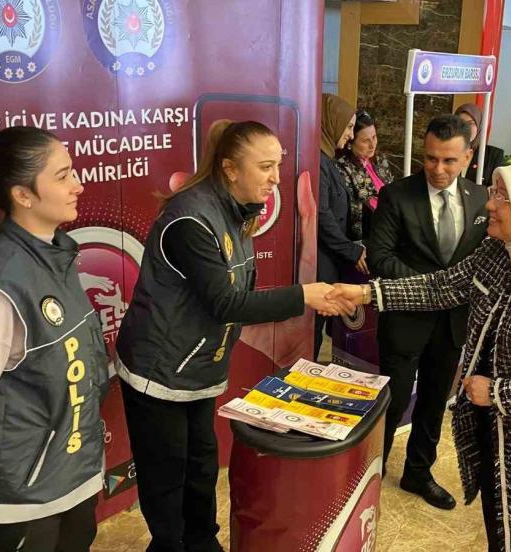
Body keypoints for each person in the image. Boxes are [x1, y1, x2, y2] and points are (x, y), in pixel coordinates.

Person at [333, 157, 511, 551]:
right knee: (503, 532)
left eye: (504, 197)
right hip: (499, 440)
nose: (490, 204)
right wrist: (366, 293)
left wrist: (498, 392)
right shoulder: (501, 251)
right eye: (494, 192)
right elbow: (442, 287)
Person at [114, 120, 352, 552]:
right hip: (160, 370)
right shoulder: (191, 219)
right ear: (229, 168)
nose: (275, 178)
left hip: (198, 366)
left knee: (201, 465)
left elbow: (236, 293)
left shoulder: (237, 210)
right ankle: (168, 545)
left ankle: (202, 541)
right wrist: (305, 295)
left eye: (277, 165)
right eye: (265, 167)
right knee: (167, 475)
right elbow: (224, 303)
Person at [0, 127, 107, 552]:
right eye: (63, 176)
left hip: (73, 469)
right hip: (23, 492)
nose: (78, 185)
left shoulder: (57, 253)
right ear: (23, 195)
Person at [366, 114, 488, 509]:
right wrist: (434, 289)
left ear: (467, 157)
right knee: (392, 402)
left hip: (453, 324)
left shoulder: (481, 198)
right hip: (405, 321)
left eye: (449, 160)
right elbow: (381, 258)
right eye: (431, 158)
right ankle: (370, 475)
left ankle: (418, 472)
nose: (438, 168)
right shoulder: (397, 196)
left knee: (435, 403)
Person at [315, 93, 367, 358]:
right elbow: (321, 215)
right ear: (330, 122)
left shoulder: (326, 159)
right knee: (311, 334)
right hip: (319, 264)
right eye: (348, 127)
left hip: (329, 261)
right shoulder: (317, 162)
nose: (350, 135)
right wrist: (351, 250)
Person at [336, 109, 394, 240]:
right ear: (351, 142)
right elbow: (354, 212)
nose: (372, 145)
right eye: (365, 141)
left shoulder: (380, 161)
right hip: (365, 235)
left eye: (374, 137)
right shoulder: (342, 168)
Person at [454, 103, 506, 185]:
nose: (465, 128)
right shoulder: (447, 152)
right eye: (461, 123)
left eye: (470, 123)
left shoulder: (493, 155)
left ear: (479, 126)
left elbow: (496, 188)